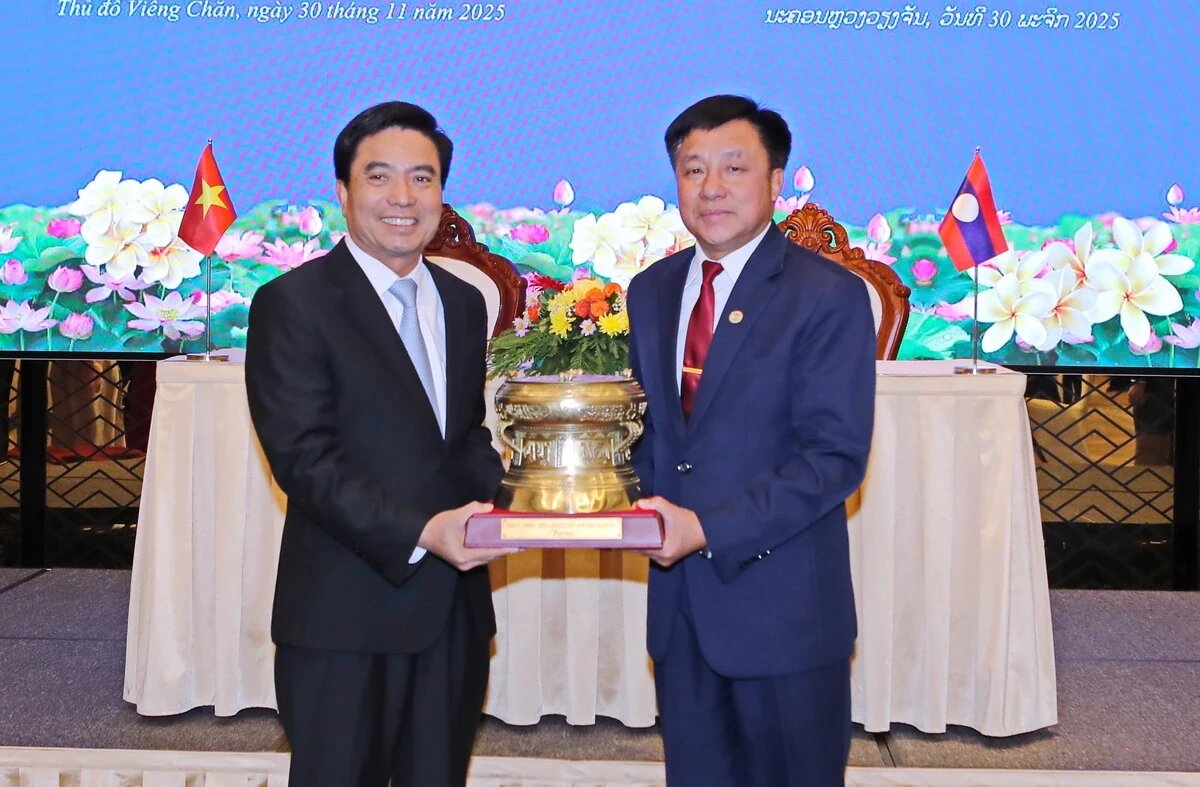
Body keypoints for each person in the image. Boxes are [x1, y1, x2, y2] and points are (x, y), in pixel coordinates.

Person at [245, 101, 512, 787]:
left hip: (452, 617)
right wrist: (423, 530)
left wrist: (522, 502)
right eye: (379, 176)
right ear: (343, 191)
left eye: (422, 178)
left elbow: (464, 439)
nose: (403, 197)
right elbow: (304, 459)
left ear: (441, 193)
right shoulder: (292, 303)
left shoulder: (463, 302)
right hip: (344, 620)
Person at [627, 95, 877, 785]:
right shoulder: (650, 291)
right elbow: (651, 438)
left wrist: (707, 528)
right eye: (693, 169)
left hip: (784, 614)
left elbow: (833, 458)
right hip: (682, 617)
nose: (711, 187)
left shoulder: (826, 295)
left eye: (733, 168)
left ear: (775, 181)